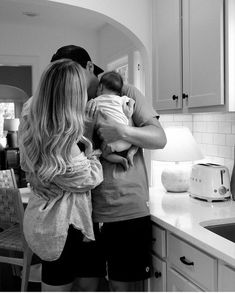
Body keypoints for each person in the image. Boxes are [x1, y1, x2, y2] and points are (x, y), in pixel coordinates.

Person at [21, 45, 167, 292]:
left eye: (73, 73)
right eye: (64, 75)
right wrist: (34, 175)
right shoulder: (60, 97)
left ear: (89, 67)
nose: (72, 82)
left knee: (123, 286)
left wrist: (121, 131)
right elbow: (40, 145)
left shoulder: (123, 91)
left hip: (121, 208)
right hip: (79, 214)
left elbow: (159, 138)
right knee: (83, 285)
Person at [18, 59, 104, 292]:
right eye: (83, 90)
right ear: (75, 96)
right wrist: (93, 150)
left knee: (58, 280)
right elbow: (89, 178)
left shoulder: (35, 127)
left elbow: (28, 165)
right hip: (65, 226)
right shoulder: (65, 140)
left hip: (48, 222)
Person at [94, 70, 138, 170]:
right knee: (137, 139)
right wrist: (130, 109)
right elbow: (132, 100)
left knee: (104, 154)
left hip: (111, 141)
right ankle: (131, 153)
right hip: (128, 140)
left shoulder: (96, 101)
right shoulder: (121, 99)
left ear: (100, 87)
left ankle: (121, 160)